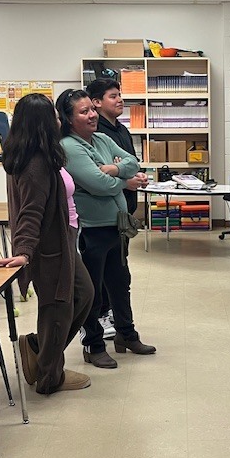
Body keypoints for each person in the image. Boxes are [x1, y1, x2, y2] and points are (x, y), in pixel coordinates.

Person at [0, 93, 94, 394]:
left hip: (63, 238)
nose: (59, 118)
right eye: (54, 114)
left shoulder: (39, 152)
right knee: (57, 308)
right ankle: (49, 377)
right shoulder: (35, 163)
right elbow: (30, 212)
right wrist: (23, 253)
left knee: (82, 294)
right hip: (51, 246)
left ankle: (38, 347)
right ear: (43, 122)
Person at [56, 89, 156, 369]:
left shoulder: (101, 138)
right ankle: (94, 345)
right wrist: (125, 182)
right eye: (83, 111)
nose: (91, 115)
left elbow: (133, 162)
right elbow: (96, 185)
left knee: (120, 283)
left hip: (116, 227)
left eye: (92, 109)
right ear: (68, 118)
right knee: (94, 292)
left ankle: (126, 335)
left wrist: (113, 170)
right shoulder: (69, 147)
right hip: (91, 230)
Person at [85, 77, 139, 340]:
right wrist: (124, 178)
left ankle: (122, 326)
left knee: (119, 273)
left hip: (122, 213)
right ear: (96, 103)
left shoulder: (120, 130)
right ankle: (102, 318)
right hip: (101, 217)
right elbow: (100, 180)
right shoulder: (97, 135)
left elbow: (131, 162)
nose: (120, 100)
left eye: (120, 94)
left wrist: (127, 174)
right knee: (103, 274)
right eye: (113, 95)